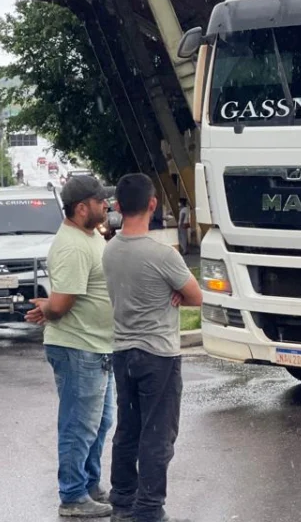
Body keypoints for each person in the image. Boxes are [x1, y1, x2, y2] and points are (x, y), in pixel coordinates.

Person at [102, 174, 203, 522]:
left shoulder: (109, 251)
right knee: (158, 434)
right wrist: (172, 292)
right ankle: (149, 510)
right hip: (158, 355)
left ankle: (123, 501)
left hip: (122, 351)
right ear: (152, 205)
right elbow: (196, 296)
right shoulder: (163, 255)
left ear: (117, 206)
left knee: (128, 429)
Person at [25, 175, 117, 518]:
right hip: (78, 348)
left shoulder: (90, 236)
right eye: (99, 201)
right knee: (79, 424)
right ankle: (73, 495)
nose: (105, 205)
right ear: (82, 208)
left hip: (98, 347)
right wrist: (47, 308)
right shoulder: (72, 246)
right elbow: (62, 304)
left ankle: (90, 485)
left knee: (100, 421)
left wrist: (47, 307)